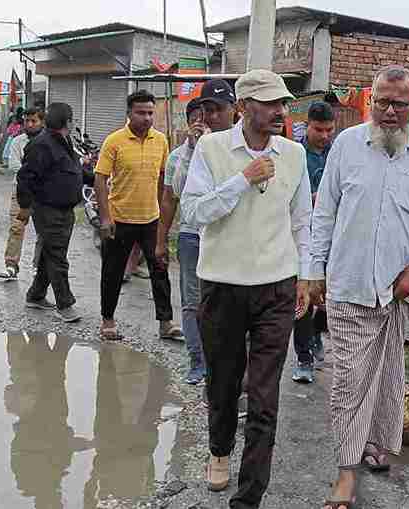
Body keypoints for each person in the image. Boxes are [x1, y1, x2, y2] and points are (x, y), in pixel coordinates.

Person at [310, 65, 409, 509]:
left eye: (400, 104)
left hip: (398, 291)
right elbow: (325, 214)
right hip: (348, 285)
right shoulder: (347, 146)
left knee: (387, 373)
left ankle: (372, 443)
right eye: (382, 102)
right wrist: (313, 272)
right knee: (350, 382)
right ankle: (345, 472)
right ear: (369, 101)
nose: (390, 111)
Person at [180, 69, 311, 509]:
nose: (280, 111)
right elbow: (195, 213)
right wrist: (243, 178)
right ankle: (219, 449)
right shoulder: (213, 149)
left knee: (264, 397)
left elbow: (302, 222)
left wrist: (306, 277)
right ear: (244, 107)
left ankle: (249, 497)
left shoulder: (293, 154)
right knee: (223, 383)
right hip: (222, 286)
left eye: (283, 103)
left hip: (276, 288)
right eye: (270, 103)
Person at [157, 80, 236, 385]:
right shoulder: (181, 154)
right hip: (192, 236)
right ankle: (197, 362)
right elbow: (175, 193)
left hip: (227, 236)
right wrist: (193, 148)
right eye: (202, 114)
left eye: (217, 110)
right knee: (192, 302)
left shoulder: (238, 148)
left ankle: (222, 365)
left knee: (224, 304)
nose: (208, 119)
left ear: (233, 111)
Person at [95, 90, 182, 342]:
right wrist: (105, 218)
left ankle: (166, 323)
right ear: (129, 114)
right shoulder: (114, 141)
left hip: (150, 220)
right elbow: (100, 179)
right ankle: (108, 321)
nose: (147, 117)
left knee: (160, 271)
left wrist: (163, 217)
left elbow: (163, 178)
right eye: (141, 112)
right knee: (112, 272)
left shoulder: (160, 141)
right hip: (119, 219)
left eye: (150, 113)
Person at [16, 102, 89, 323]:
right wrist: (25, 208)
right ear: (68, 121)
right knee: (57, 257)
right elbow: (25, 178)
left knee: (51, 253)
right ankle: (65, 304)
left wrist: (96, 178)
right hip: (48, 209)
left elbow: (73, 170)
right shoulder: (42, 145)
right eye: (72, 118)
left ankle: (36, 295)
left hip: (66, 210)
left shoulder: (65, 141)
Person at [292, 101, 336, 384]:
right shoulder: (295, 154)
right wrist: (312, 200)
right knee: (303, 297)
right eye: (318, 129)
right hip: (304, 235)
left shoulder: (339, 154)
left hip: (334, 236)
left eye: (329, 130)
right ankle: (304, 359)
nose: (324, 136)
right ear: (307, 125)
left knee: (328, 296)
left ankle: (318, 332)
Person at [0, 107, 45, 281]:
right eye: (27, 121)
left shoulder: (49, 141)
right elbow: (14, 165)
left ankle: (38, 267)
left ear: (42, 122)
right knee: (16, 227)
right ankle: (11, 265)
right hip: (20, 190)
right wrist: (34, 173)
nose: (30, 124)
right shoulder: (18, 141)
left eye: (34, 121)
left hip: (43, 194)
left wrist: (30, 172)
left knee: (43, 231)